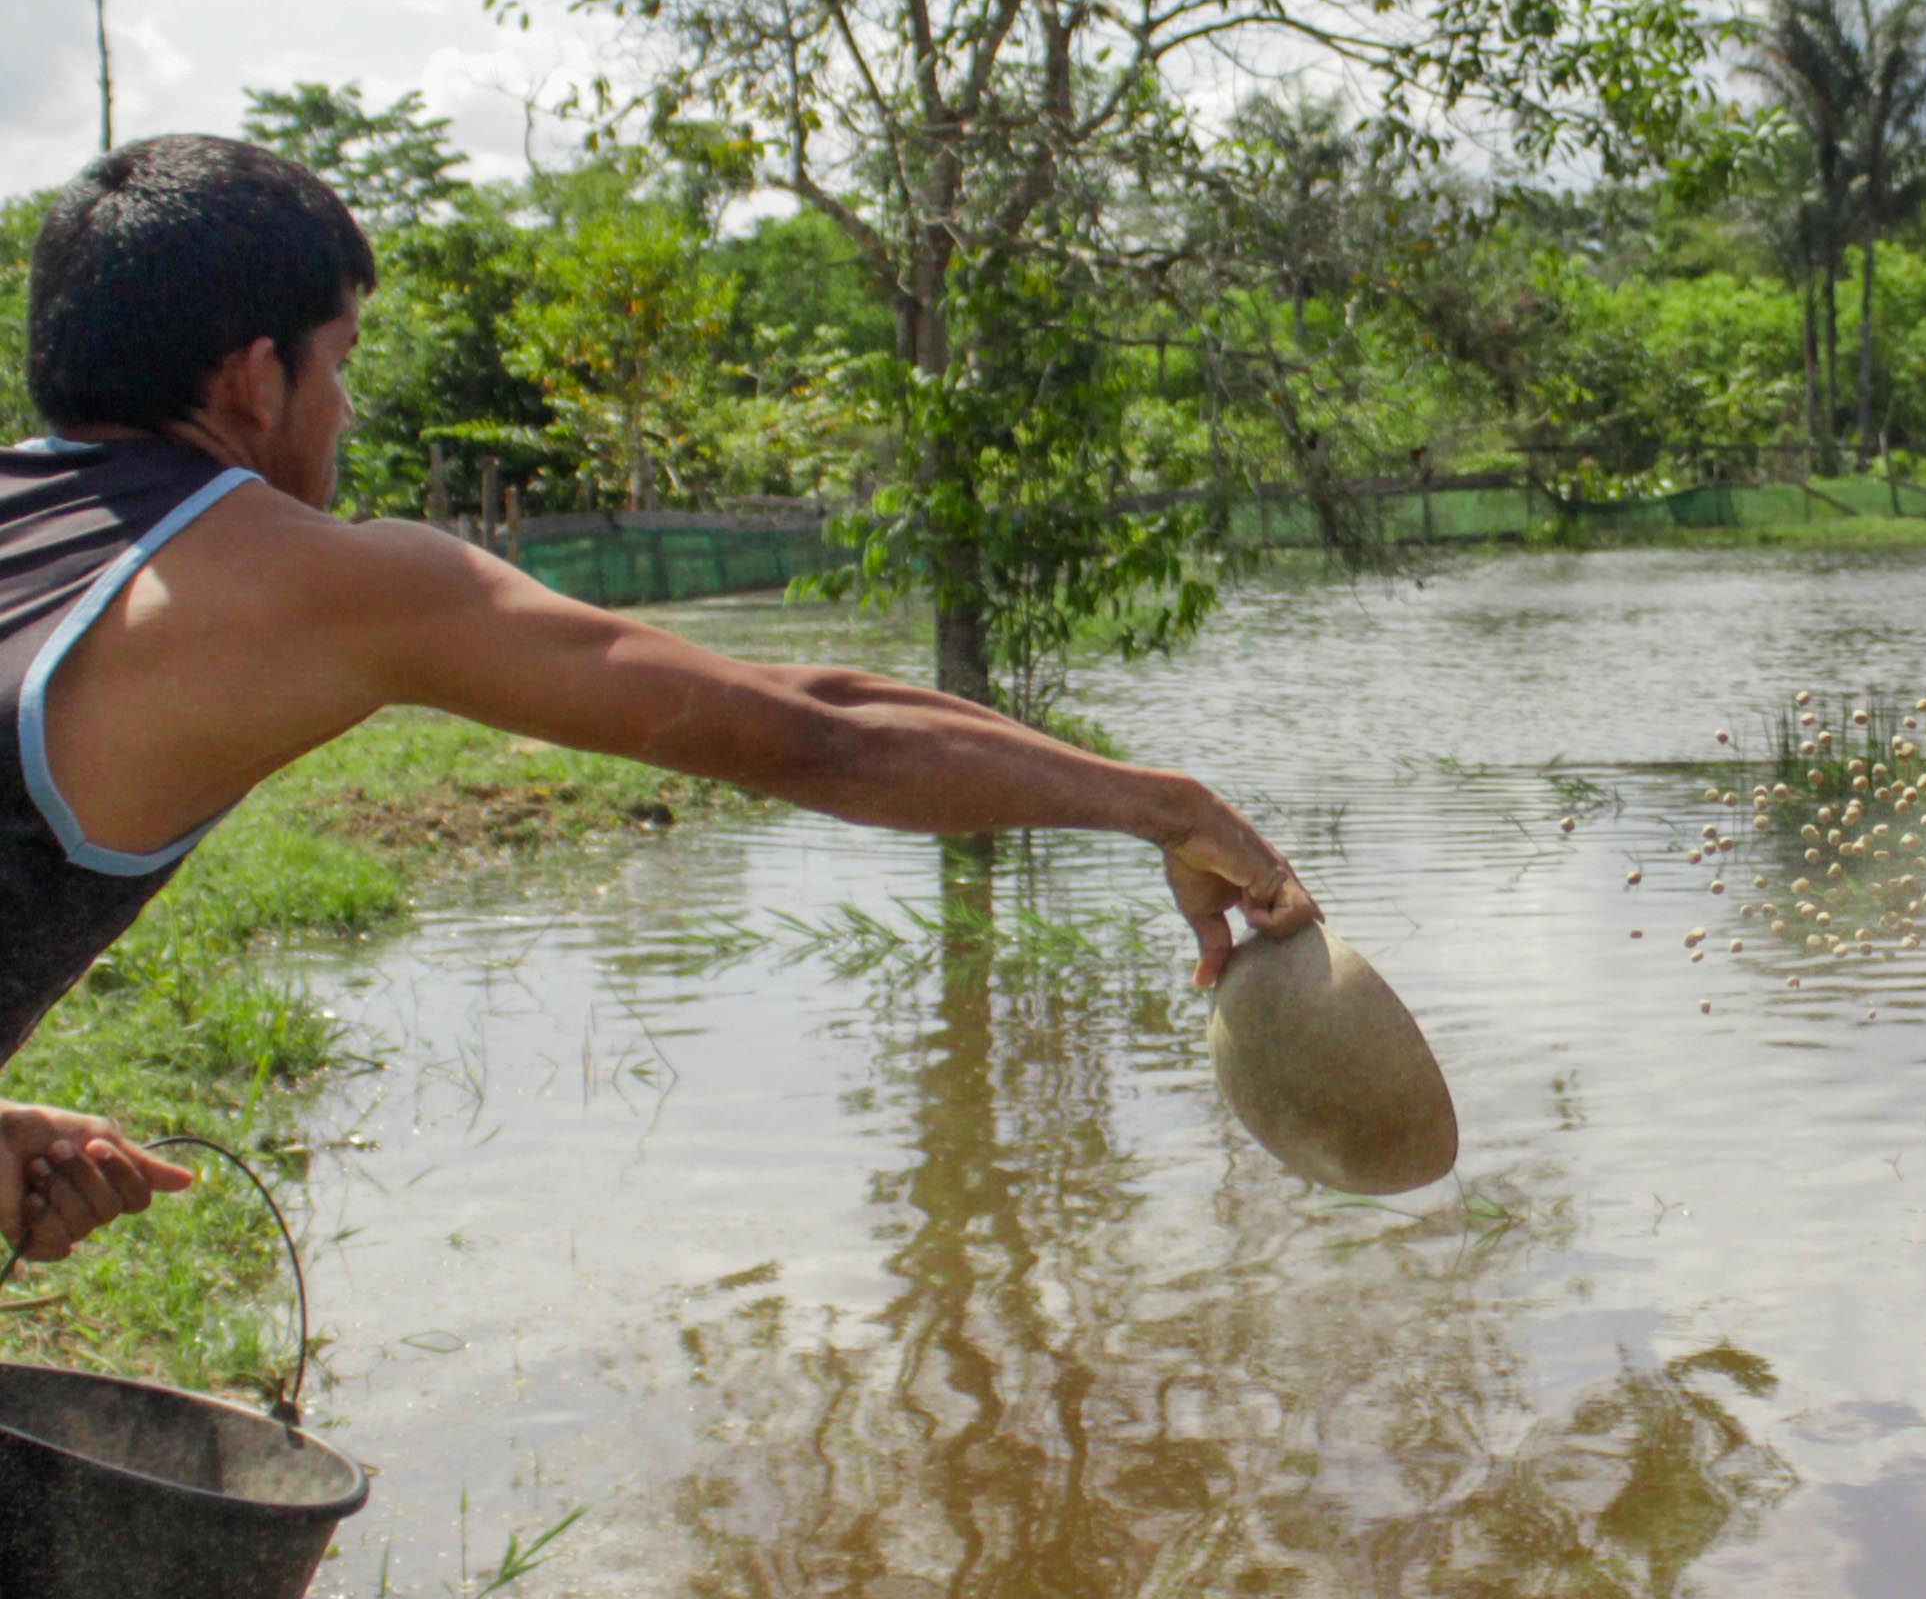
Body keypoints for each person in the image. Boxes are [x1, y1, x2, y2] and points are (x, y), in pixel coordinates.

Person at [2, 133, 1318, 1269]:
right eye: (341, 361)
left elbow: (817, 691)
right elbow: (817, 734)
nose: (345, 411)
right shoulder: (301, 581)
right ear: (252, 378)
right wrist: (1167, 809)